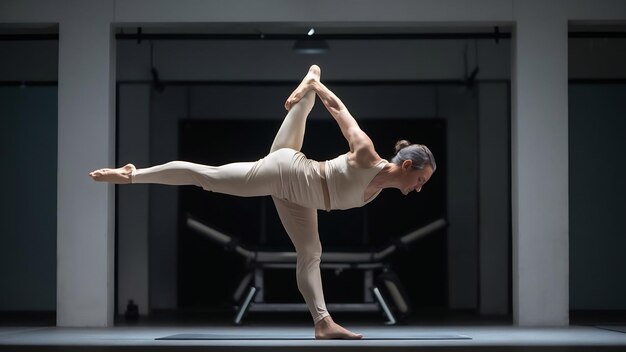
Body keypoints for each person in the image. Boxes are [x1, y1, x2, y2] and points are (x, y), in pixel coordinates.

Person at [90, 65, 436, 339]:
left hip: (301, 197)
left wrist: (312, 85)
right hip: (285, 173)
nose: (419, 188)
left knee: (310, 252)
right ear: (407, 165)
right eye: (420, 180)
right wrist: (317, 90)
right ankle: (134, 174)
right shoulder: (366, 154)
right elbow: (338, 109)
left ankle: (322, 323)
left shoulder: (380, 187)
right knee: (208, 178)